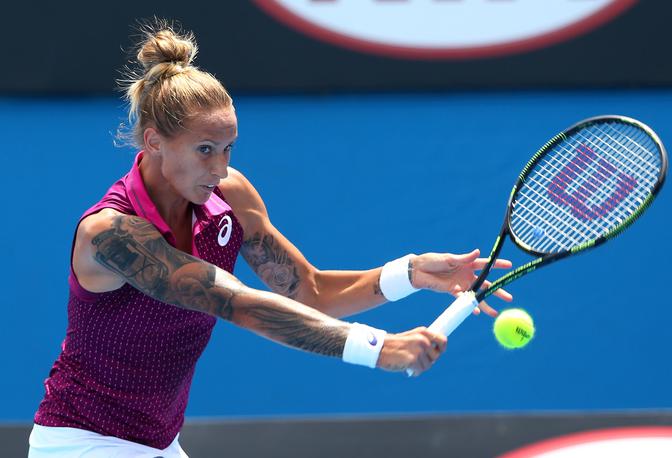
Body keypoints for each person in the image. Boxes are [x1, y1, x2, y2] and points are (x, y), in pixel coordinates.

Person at [29, 20, 512, 457]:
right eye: (204, 151)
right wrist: (378, 348)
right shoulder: (111, 233)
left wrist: (407, 274)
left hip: (158, 443)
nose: (220, 169)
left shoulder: (229, 195)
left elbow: (310, 291)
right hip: (82, 443)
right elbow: (235, 302)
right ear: (154, 141)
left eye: (227, 149)